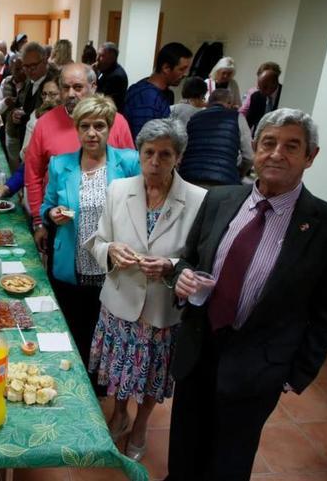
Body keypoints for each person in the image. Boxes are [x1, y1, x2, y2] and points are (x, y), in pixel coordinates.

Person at [165, 108, 327, 481]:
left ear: (310, 156)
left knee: (229, 461)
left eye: (291, 146)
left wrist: (292, 374)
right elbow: (186, 260)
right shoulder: (220, 199)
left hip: (259, 367)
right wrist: (181, 278)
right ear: (254, 148)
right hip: (198, 348)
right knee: (184, 449)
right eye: (269, 143)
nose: (276, 154)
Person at [87, 118, 207, 461]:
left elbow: (200, 259)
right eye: (149, 152)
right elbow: (98, 241)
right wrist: (109, 251)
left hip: (161, 309)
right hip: (120, 301)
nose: (155, 161)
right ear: (138, 153)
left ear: (178, 157)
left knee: (153, 373)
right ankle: (120, 413)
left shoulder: (199, 200)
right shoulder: (118, 190)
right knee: (120, 368)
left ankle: (141, 424)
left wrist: (170, 264)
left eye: (165, 154)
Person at [40, 94, 140, 372]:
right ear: (77, 129)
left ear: (110, 127)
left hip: (113, 269)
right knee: (74, 330)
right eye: (85, 126)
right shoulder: (61, 164)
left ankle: (99, 389)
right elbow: (46, 206)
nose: (92, 133)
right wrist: (52, 215)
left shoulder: (129, 163)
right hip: (71, 264)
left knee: (106, 335)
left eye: (99, 126)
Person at [24, 63, 135, 253]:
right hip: (62, 226)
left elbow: (133, 178)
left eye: (78, 87)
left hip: (111, 230)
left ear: (93, 87)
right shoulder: (44, 124)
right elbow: (33, 174)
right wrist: (38, 222)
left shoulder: (118, 123)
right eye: (65, 88)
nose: (70, 94)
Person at [180, 88, 253, 187]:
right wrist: (237, 173)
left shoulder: (194, 118)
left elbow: (182, 150)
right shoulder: (237, 118)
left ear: (209, 103)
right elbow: (249, 157)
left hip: (188, 177)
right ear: (229, 103)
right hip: (223, 183)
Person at [123, 42, 193, 139]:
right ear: (166, 68)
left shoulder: (164, 93)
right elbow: (143, 140)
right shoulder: (146, 97)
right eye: (182, 69)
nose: (185, 74)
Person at [11, 42, 59, 145]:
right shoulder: (29, 80)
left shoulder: (55, 83)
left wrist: (24, 117)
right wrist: (16, 112)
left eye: (33, 66)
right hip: (25, 138)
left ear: (45, 60)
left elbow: (49, 117)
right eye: (25, 66)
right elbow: (21, 102)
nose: (29, 70)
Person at [21, 76, 61, 158]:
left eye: (53, 94)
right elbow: (23, 154)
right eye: (44, 94)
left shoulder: (70, 119)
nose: (46, 100)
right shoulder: (35, 116)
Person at [246, 64, 283, 133]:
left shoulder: (285, 94)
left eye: (265, 87)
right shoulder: (256, 96)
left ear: (275, 82)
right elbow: (249, 121)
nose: (261, 91)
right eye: (259, 86)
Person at [95, 42, 128, 112]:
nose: (97, 58)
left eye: (101, 56)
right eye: (97, 54)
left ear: (112, 58)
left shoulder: (117, 76)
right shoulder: (103, 69)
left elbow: (101, 97)